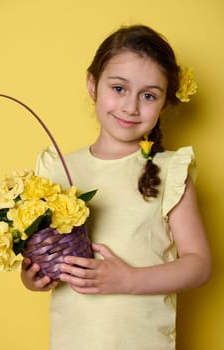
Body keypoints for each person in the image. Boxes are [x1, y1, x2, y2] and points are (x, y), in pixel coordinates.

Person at [21, 24, 211, 349]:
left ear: (164, 104)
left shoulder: (169, 171)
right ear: (92, 85)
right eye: (119, 88)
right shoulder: (57, 170)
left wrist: (129, 280)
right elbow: (44, 253)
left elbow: (199, 264)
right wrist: (32, 277)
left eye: (148, 95)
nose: (131, 106)